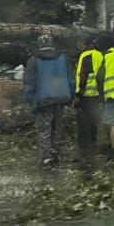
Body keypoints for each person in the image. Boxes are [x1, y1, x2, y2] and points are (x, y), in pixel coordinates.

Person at [23, 35, 75, 168]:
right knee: (57, 126)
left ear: (39, 44)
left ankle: (46, 158)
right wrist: (72, 95)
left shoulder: (34, 60)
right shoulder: (63, 58)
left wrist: (29, 100)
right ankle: (55, 152)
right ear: (52, 43)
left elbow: (29, 82)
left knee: (44, 128)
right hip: (62, 96)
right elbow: (71, 78)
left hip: (44, 98)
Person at [74, 38, 104, 164]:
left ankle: (85, 148)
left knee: (83, 123)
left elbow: (83, 75)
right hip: (97, 94)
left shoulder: (85, 55)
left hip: (86, 94)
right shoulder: (100, 55)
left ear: (86, 45)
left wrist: (78, 94)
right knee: (94, 121)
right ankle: (93, 142)